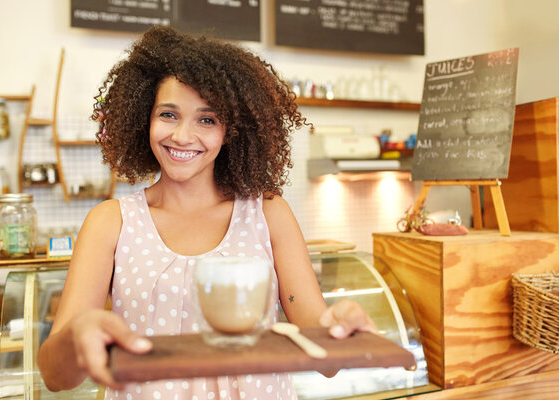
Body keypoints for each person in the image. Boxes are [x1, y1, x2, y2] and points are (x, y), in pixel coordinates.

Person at [38, 26, 377, 400]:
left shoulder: (269, 214)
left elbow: (325, 359)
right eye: (168, 114)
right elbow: (56, 377)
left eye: (207, 119)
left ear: (232, 131)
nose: (183, 136)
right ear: (143, 119)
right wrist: (75, 335)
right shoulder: (110, 222)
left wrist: (341, 328)